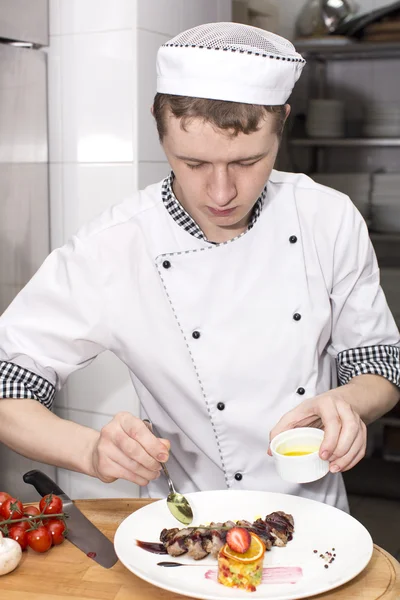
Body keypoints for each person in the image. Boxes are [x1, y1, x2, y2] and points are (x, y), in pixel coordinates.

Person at [0, 22, 399, 512]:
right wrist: (89, 450)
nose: (222, 193)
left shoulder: (328, 218)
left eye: (248, 162)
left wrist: (349, 404)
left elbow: (377, 362)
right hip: (188, 526)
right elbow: (7, 386)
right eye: (193, 164)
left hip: (317, 515)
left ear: (283, 124)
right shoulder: (116, 246)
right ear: (157, 124)